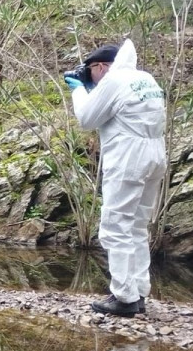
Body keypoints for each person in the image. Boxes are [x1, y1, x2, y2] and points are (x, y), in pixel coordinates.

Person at [65, 39, 167, 317]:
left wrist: (78, 90)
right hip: (156, 155)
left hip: (128, 158)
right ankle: (139, 291)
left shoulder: (114, 80)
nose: (92, 79)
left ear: (101, 67)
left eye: (92, 72)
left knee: (115, 227)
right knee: (137, 226)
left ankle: (123, 297)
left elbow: (87, 119)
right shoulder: (145, 78)